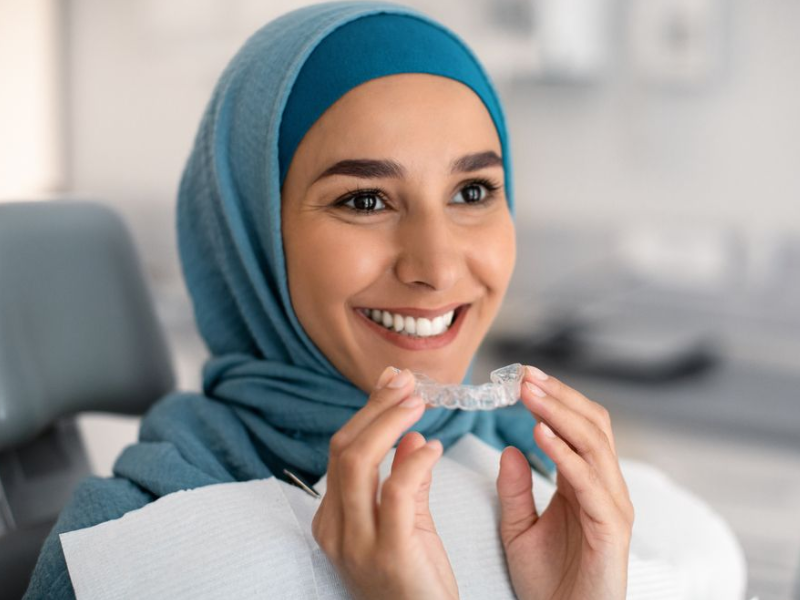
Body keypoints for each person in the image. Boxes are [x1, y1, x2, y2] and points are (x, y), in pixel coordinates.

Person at [24, 2, 636, 598]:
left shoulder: (566, 490)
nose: (437, 268)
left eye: (472, 191)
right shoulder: (123, 557)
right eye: (365, 200)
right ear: (252, 235)